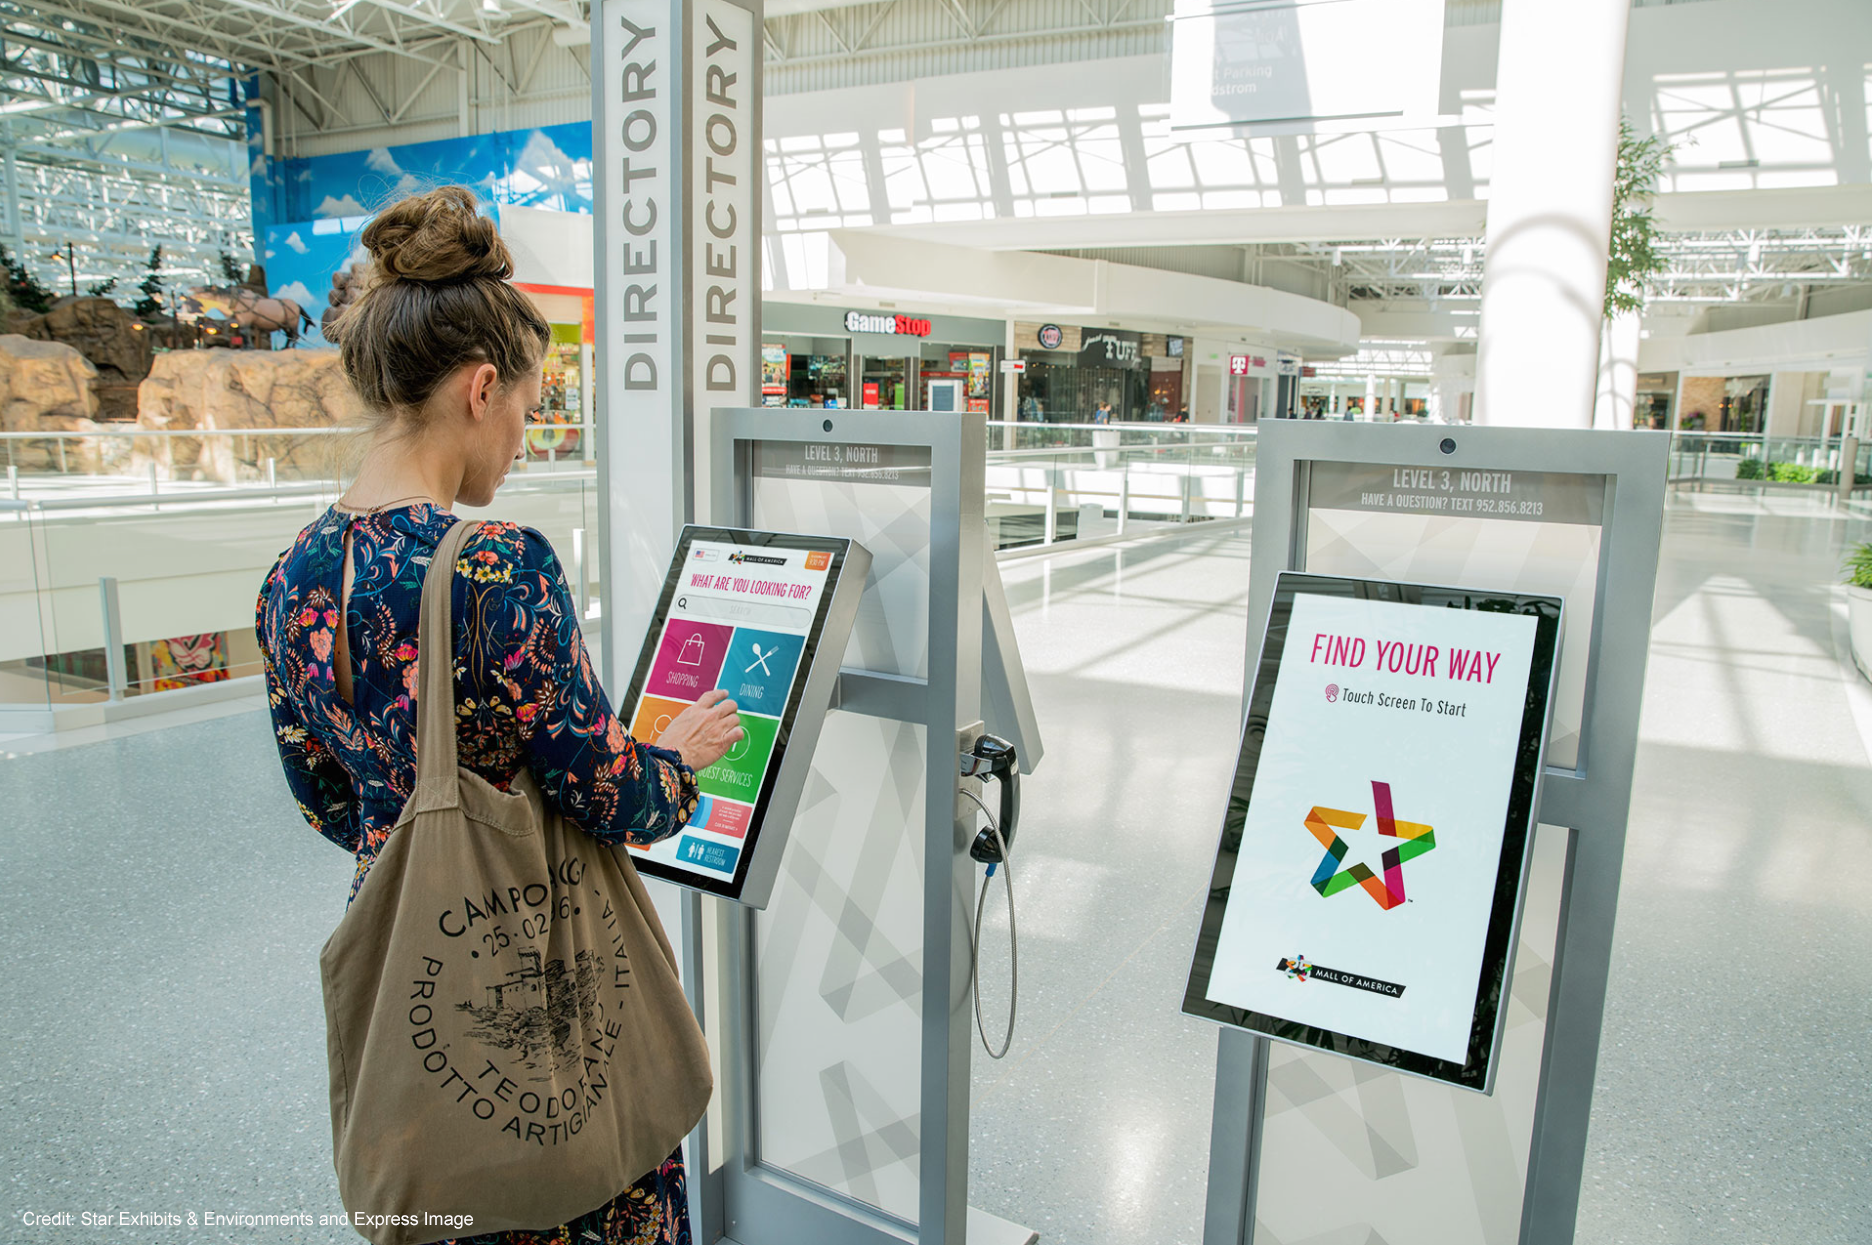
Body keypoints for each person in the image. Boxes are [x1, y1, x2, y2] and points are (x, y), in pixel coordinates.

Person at [254, 187, 741, 1245]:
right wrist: (678, 756)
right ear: (480, 388)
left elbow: (325, 798)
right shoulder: (493, 564)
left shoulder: (289, 575)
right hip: (541, 960)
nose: (522, 437)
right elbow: (612, 795)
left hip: (408, 964)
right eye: (525, 407)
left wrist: (425, 813)